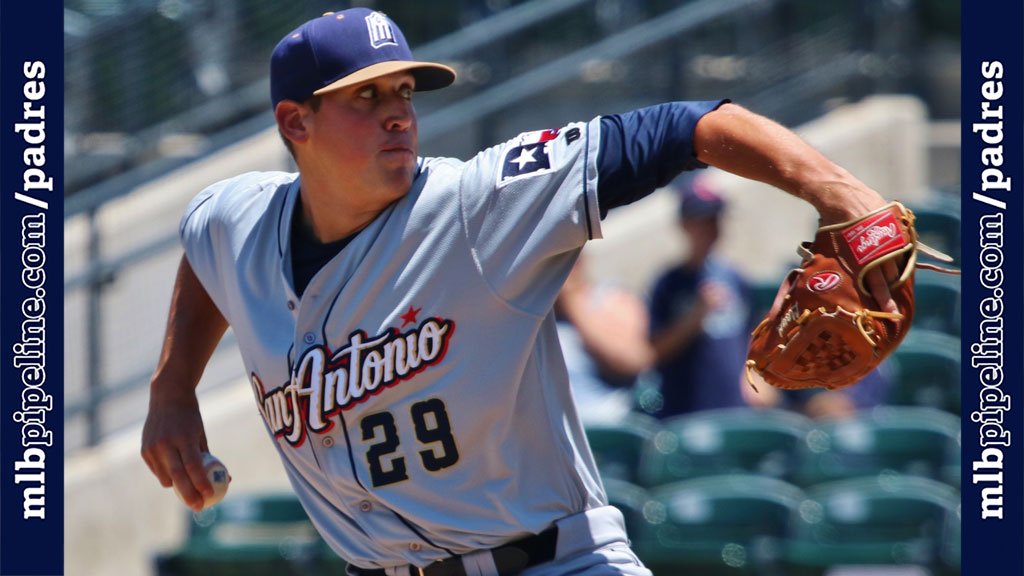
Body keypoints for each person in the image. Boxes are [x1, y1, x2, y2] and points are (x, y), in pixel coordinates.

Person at [141, 8, 901, 575]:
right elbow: (206, 249)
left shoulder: (478, 206)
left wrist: (840, 194)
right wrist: (173, 386)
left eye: (403, 89)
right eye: (365, 97)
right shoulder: (240, 218)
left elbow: (688, 126)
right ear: (293, 122)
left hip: (552, 562)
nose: (398, 111)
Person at [646, 176, 756, 418]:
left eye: (714, 219)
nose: (710, 228)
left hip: (734, 406)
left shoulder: (734, 277)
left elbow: (749, 335)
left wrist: (755, 378)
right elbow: (653, 352)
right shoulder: (668, 284)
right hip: (685, 410)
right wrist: (695, 317)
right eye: (702, 221)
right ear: (684, 224)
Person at [554, 256, 653, 423]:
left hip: (615, 423)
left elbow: (632, 361)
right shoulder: (535, 320)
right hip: (561, 435)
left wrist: (571, 300)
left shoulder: (609, 297)